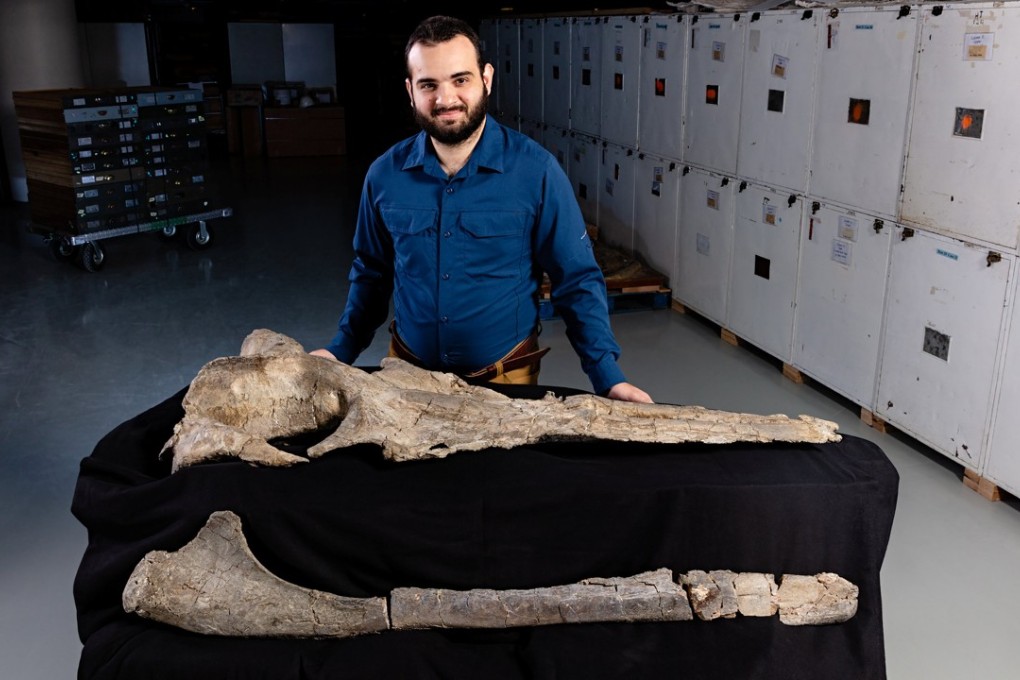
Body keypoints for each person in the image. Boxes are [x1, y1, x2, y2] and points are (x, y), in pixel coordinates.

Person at [311, 15, 652, 403]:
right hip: (407, 380)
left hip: (505, 384)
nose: (445, 99)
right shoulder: (384, 176)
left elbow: (575, 280)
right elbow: (371, 272)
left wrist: (607, 377)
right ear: (410, 91)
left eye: (460, 80)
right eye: (428, 85)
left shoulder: (535, 172)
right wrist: (341, 350)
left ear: (485, 79)